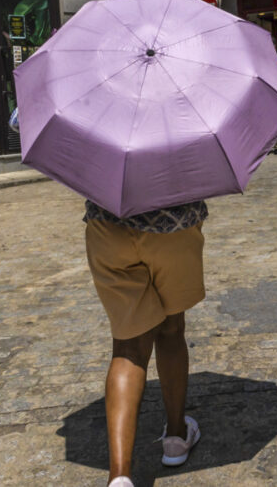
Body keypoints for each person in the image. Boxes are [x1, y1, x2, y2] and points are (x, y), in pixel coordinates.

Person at [85, 200, 207, 487]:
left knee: (128, 350)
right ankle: (176, 437)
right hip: (173, 226)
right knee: (171, 331)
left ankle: (119, 476)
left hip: (109, 229)